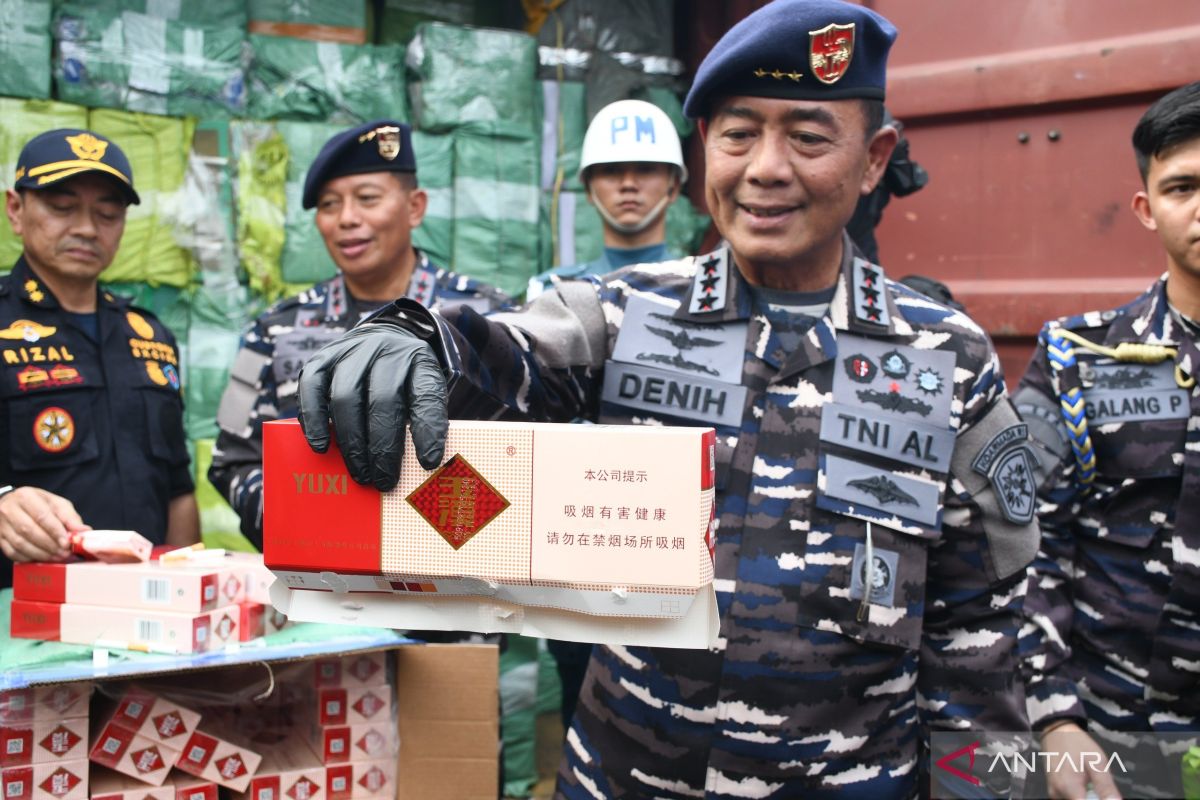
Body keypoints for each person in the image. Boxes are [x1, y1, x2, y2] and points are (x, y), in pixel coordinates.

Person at [296, 1, 1039, 796]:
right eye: (738, 133)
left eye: (809, 137)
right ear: (706, 150)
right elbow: (506, 352)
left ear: (872, 158)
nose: (766, 168)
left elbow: (982, 632)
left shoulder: (945, 357)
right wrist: (415, 336)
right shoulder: (624, 313)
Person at [1017, 81, 1200, 800]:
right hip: (1108, 741)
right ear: (1146, 210)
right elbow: (1018, 538)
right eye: (1183, 186)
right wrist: (1054, 718)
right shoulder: (1077, 359)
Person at [208, 120, 510, 550]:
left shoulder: (485, 319)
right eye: (330, 205)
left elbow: (528, 451)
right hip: (326, 581)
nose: (348, 219)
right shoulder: (274, 329)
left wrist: (425, 536)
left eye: (367, 199)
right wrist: (306, 525)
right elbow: (232, 461)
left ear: (414, 207)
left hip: (456, 582)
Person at [0, 128, 198, 588]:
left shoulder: (150, 335)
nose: (87, 228)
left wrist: (189, 589)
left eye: (107, 213)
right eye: (62, 207)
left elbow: (176, 489)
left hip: (143, 612)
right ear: (15, 209)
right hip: (22, 617)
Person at [526, 98, 686, 300]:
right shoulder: (552, 292)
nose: (628, 184)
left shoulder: (701, 290)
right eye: (611, 171)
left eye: (645, 169)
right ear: (588, 189)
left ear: (674, 186)